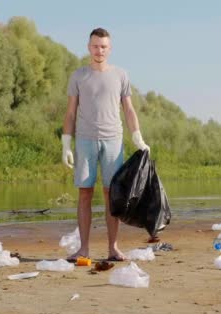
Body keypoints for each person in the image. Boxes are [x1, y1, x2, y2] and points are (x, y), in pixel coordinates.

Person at [61, 27, 149, 262]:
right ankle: (84, 249)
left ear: (109, 49)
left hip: (113, 140)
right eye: (95, 46)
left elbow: (128, 109)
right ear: (88, 47)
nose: (99, 50)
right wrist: (66, 143)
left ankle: (113, 248)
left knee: (113, 195)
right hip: (85, 139)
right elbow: (70, 113)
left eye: (103, 46)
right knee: (85, 194)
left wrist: (137, 136)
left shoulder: (120, 75)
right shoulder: (78, 75)